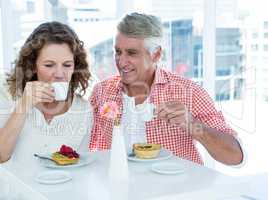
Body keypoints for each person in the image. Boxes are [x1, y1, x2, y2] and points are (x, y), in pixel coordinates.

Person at [89, 12, 244, 166]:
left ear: (156, 55)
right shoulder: (102, 92)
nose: (121, 62)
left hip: (178, 188)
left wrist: (191, 123)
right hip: (118, 187)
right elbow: (84, 149)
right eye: (118, 52)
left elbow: (235, 157)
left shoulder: (188, 92)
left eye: (132, 53)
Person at [0, 21, 92, 199]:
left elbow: (82, 170)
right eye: (49, 65)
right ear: (32, 66)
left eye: (67, 65)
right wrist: (24, 105)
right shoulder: (9, 95)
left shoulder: (83, 110)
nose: (59, 73)